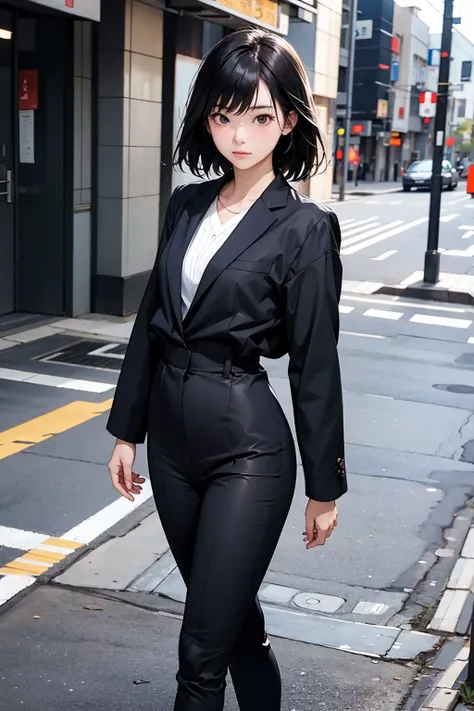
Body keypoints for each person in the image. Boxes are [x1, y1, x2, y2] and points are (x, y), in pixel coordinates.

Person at [106, 27, 347, 711]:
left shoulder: (304, 229)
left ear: (289, 120)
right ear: (206, 114)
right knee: (235, 622)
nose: (240, 134)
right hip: (174, 449)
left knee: (199, 652)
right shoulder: (187, 204)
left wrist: (324, 485)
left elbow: (314, 364)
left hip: (249, 448)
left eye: (260, 117)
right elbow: (153, 319)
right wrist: (127, 430)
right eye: (224, 114)